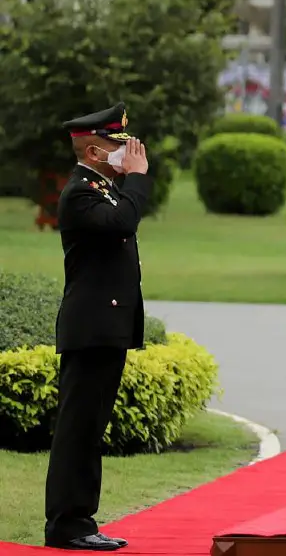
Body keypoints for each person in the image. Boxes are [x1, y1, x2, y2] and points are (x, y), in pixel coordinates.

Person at [45, 102, 152, 552]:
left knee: (90, 429)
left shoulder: (103, 188)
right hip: (90, 327)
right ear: (93, 151)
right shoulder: (81, 193)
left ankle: (81, 522)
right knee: (78, 430)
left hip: (107, 325)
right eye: (115, 145)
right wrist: (139, 179)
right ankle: (66, 525)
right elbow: (122, 221)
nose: (124, 153)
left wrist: (129, 181)